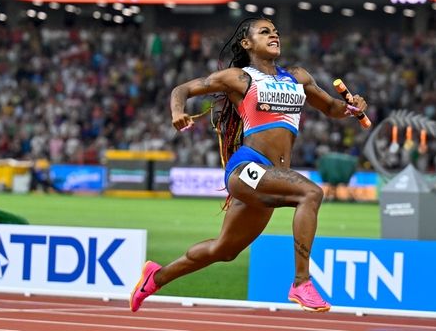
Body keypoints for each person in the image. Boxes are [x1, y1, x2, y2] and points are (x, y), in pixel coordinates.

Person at [129, 17, 367, 314]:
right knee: (311, 193)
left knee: (224, 250)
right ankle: (301, 282)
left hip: (271, 176)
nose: (274, 35)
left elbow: (331, 107)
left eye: (276, 32)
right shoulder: (239, 78)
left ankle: (155, 276)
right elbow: (182, 89)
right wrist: (178, 111)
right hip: (247, 167)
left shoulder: (298, 77)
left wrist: (350, 107)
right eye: (264, 32)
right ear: (246, 43)